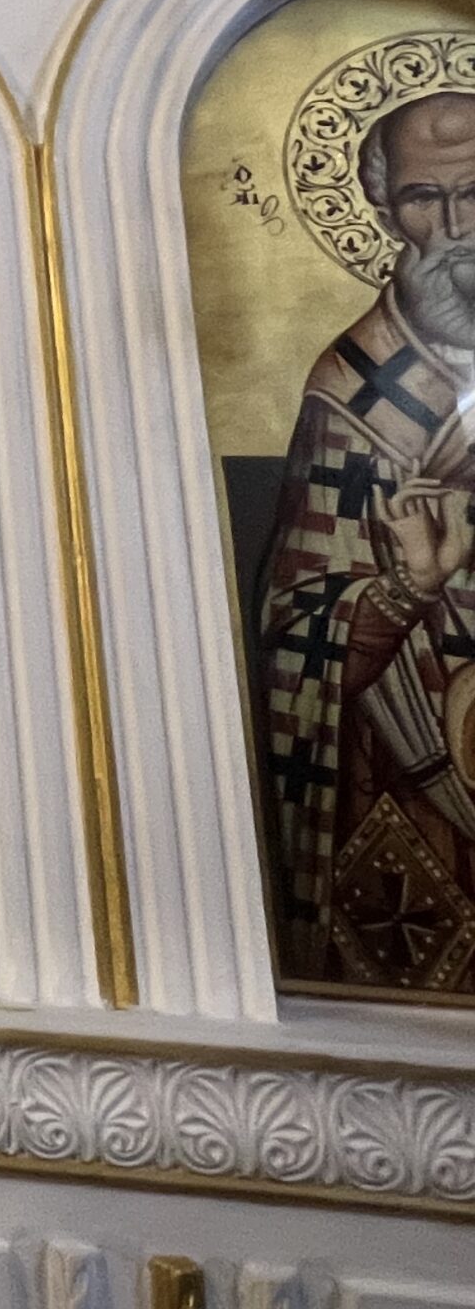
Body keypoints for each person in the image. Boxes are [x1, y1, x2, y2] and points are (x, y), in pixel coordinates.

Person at [257, 91, 475, 994]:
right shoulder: (353, 392)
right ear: (386, 211)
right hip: (418, 777)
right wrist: (406, 589)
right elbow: (295, 636)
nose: (456, 229)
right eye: (426, 198)